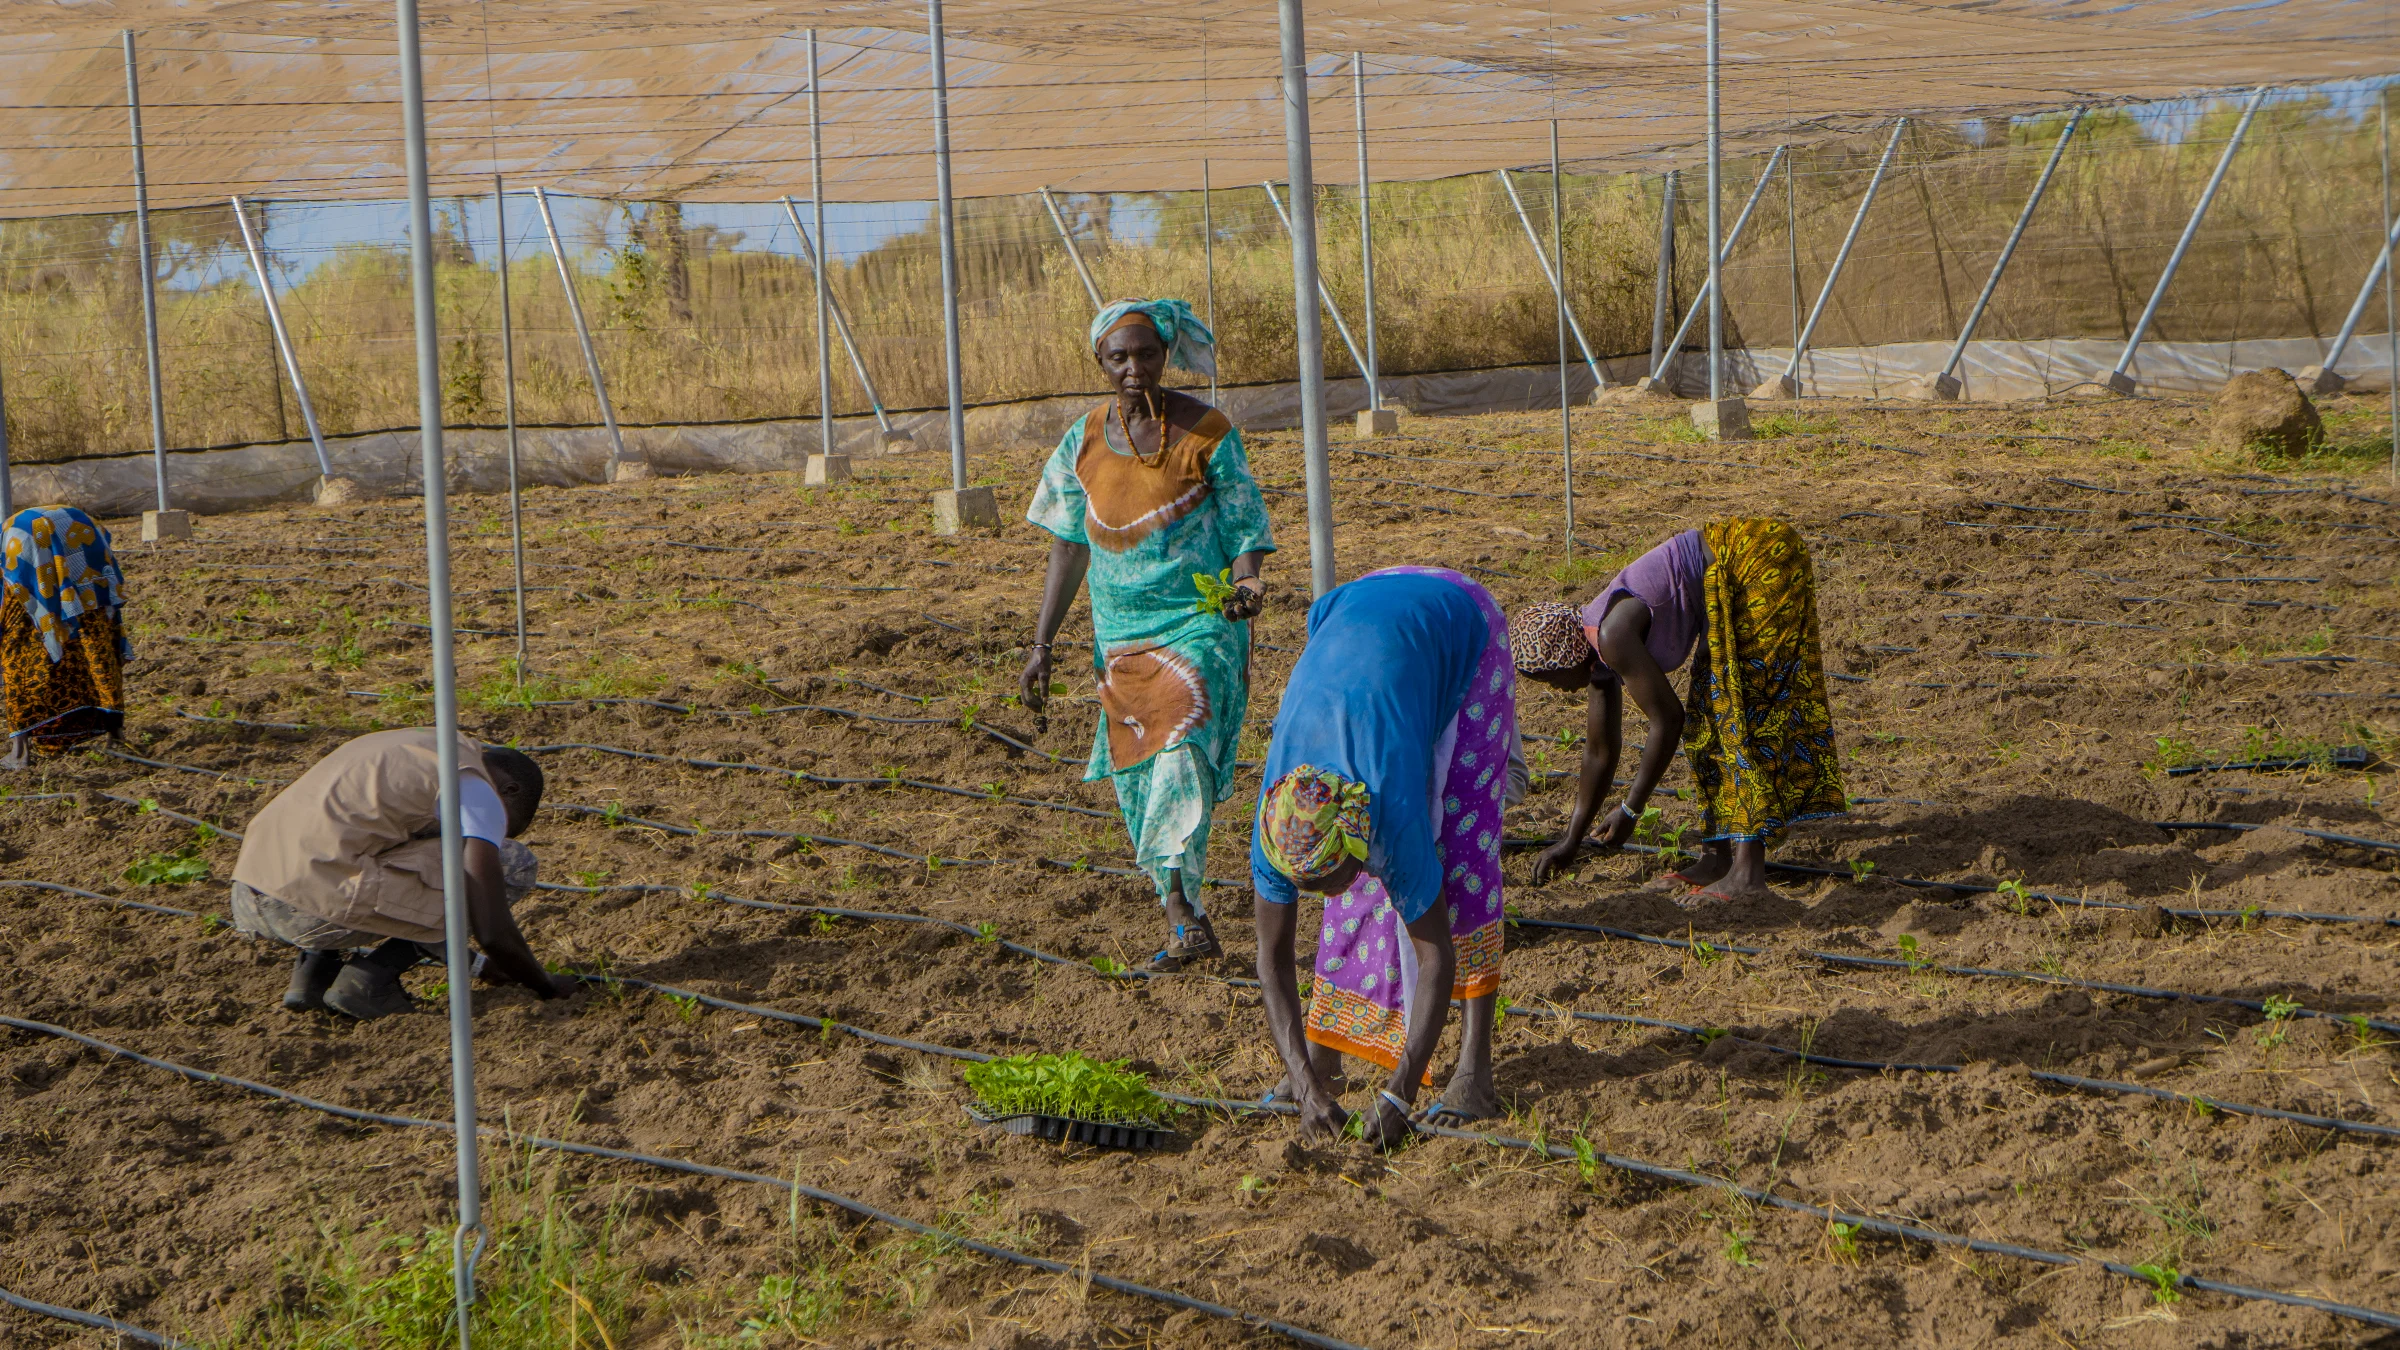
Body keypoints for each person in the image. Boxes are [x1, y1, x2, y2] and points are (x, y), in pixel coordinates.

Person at [1021, 297, 1275, 971]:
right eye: (1120, 357)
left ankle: (1181, 916)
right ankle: (1178, 910)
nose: (1135, 368)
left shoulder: (1207, 429)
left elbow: (1245, 527)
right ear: (1100, 363)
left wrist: (1246, 585)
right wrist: (1043, 644)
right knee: (1139, 773)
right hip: (1121, 637)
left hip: (1201, 623)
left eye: (1148, 354)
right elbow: (1069, 548)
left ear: (1165, 355)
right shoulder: (1082, 440)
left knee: (1179, 747)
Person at [1251, 566, 1520, 1147]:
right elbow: (1270, 960)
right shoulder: (1278, 824)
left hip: (1462, 626)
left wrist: (1400, 1092)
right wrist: (1301, 1082)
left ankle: (1475, 1071)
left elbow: (1436, 954)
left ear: (1359, 836)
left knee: (1462, 858)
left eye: (1332, 875)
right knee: (1360, 897)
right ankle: (1320, 1061)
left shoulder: (1388, 815)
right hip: (1355, 615)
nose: (1323, 892)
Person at [1511, 518, 1845, 903]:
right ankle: (1716, 858)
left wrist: (1631, 811)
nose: (1559, 689)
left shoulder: (1611, 635)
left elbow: (1667, 720)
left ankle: (1747, 872)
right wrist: (1570, 840)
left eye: (1553, 679)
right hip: (1723, 587)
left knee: (1741, 714)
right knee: (1706, 724)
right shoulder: (1597, 662)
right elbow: (1599, 751)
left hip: (1756, 558)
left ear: (1563, 658)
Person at [229, 728, 569, 1020]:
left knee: (378, 840)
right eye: (506, 825)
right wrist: (545, 985)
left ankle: (314, 975)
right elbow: (491, 928)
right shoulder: (477, 789)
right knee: (512, 863)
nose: (495, 831)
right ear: (509, 791)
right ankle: (367, 982)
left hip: (248, 892)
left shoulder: (424, 746)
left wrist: (477, 966)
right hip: (304, 910)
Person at [0, 506, 130, 768]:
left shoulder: (12, 548)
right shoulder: (83, 522)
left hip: (29, 546)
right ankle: (116, 736)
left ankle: (20, 751)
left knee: (18, 651)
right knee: (98, 646)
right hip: (87, 552)